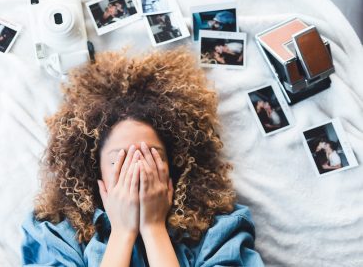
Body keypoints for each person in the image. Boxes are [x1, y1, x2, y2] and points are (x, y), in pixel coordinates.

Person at [21, 48, 264, 266]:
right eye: (120, 159)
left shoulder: (221, 229)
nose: (137, 169)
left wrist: (154, 228)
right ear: (95, 170)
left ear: (173, 165)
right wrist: (121, 233)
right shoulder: (55, 231)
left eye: (151, 156)